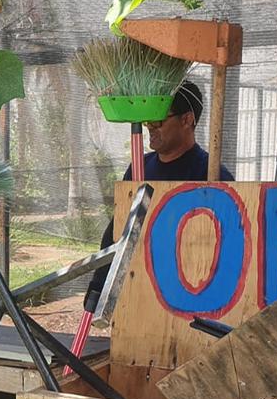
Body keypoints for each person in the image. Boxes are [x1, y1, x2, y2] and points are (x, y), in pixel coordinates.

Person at [84, 80, 235, 308]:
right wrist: (99, 282)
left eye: (158, 119)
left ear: (187, 120)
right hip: (138, 292)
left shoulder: (212, 175)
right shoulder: (138, 168)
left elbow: (229, 248)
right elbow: (118, 230)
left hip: (191, 297)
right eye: (147, 120)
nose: (149, 127)